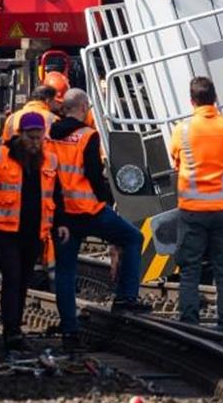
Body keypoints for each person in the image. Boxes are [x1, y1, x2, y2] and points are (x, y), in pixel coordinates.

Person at [51, 89, 149, 351]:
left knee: (65, 271)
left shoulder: (51, 135)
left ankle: (69, 332)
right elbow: (94, 175)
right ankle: (126, 297)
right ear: (83, 107)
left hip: (62, 215)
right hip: (89, 210)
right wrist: (106, 199)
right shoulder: (87, 136)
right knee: (132, 238)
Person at [170, 76, 223, 333]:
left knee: (189, 270)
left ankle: (190, 324)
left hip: (193, 210)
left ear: (192, 101)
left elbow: (175, 159)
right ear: (214, 98)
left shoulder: (183, 130)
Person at [0, 111, 64, 354]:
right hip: (5, 231)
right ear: (20, 135)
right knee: (12, 277)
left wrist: (60, 224)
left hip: (33, 232)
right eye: (31, 138)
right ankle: (11, 332)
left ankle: (14, 328)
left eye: (39, 138)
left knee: (23, 279)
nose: (36, 143)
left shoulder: (49, 161)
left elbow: (56, 195)